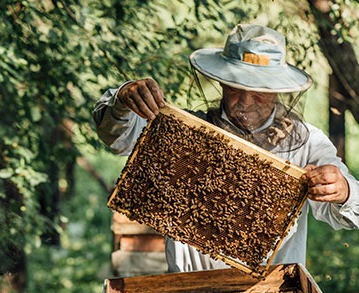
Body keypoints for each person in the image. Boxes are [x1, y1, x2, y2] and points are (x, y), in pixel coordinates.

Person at [93, 23, 359, 273]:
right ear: (221, 81)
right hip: (189, 290)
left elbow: (351, 212)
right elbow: (118, 138)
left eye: (259, 91)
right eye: (236, 87)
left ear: (279, 89)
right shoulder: (183, 132)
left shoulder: (308, 143)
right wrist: (123, 100)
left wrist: (342, 190)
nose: (245, 102)